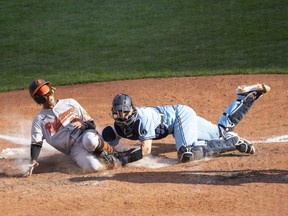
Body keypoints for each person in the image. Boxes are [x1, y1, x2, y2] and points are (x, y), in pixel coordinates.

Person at [102, 83, 271, 164]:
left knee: (186, 153)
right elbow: (109, 139)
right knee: (219, 131)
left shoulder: (142, 119)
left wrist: (124, 159)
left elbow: (146, 150)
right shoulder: (118, 126)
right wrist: (104, 150)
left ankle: (232, 143)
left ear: (131, 110)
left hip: (180, 116)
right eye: (118, 113)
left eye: (124, 112)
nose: (122, 116)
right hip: (178, 122)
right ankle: (246, 97)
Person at [25, 79, 119, 176]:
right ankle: (103, 157)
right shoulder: (39, 120)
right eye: (45, 94)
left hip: (85, 134)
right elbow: (36, 143)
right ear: (38, 99)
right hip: (74, 150)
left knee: (89, 141)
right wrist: (33, 160)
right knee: (93, 167)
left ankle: (114, 153)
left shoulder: (70, 102)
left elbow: (91, 123)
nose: (49, 95)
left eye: (49, 91)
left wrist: (83, 126)